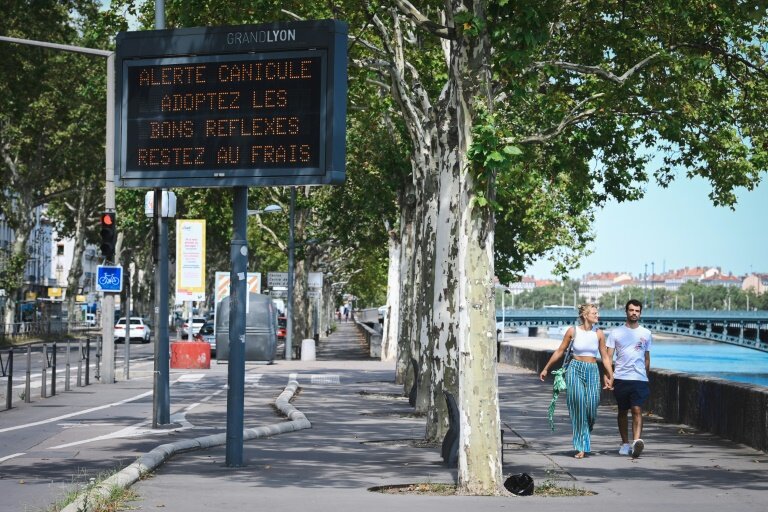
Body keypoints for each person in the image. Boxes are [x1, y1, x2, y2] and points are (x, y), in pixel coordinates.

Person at [540, 304, 613, 458]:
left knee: (592, 408)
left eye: (597, 312)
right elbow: (560, 351)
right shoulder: (573, 331)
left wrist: (610, 375)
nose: (597, 315)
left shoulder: (599, 333)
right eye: (594, 313)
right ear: (585, 315)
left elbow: (605, 357)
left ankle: (584, 435)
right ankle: (581, 446)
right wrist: (546, 368)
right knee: (578, 407)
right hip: (575, 369)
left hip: (592, 370)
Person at [607, 299, 652, 458]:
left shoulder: (646, 333)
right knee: (622, 411)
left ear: (640, 313)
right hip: (621, 377)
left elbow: (647, 357)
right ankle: (625, 443)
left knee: (637, 409)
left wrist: (646, 375)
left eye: (637, 311)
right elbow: (608, 356)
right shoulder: (615, 333)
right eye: (631, 310)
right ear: (626, 311)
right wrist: (609, 376)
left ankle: (636, 442)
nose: (634, 313)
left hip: (639, 378)